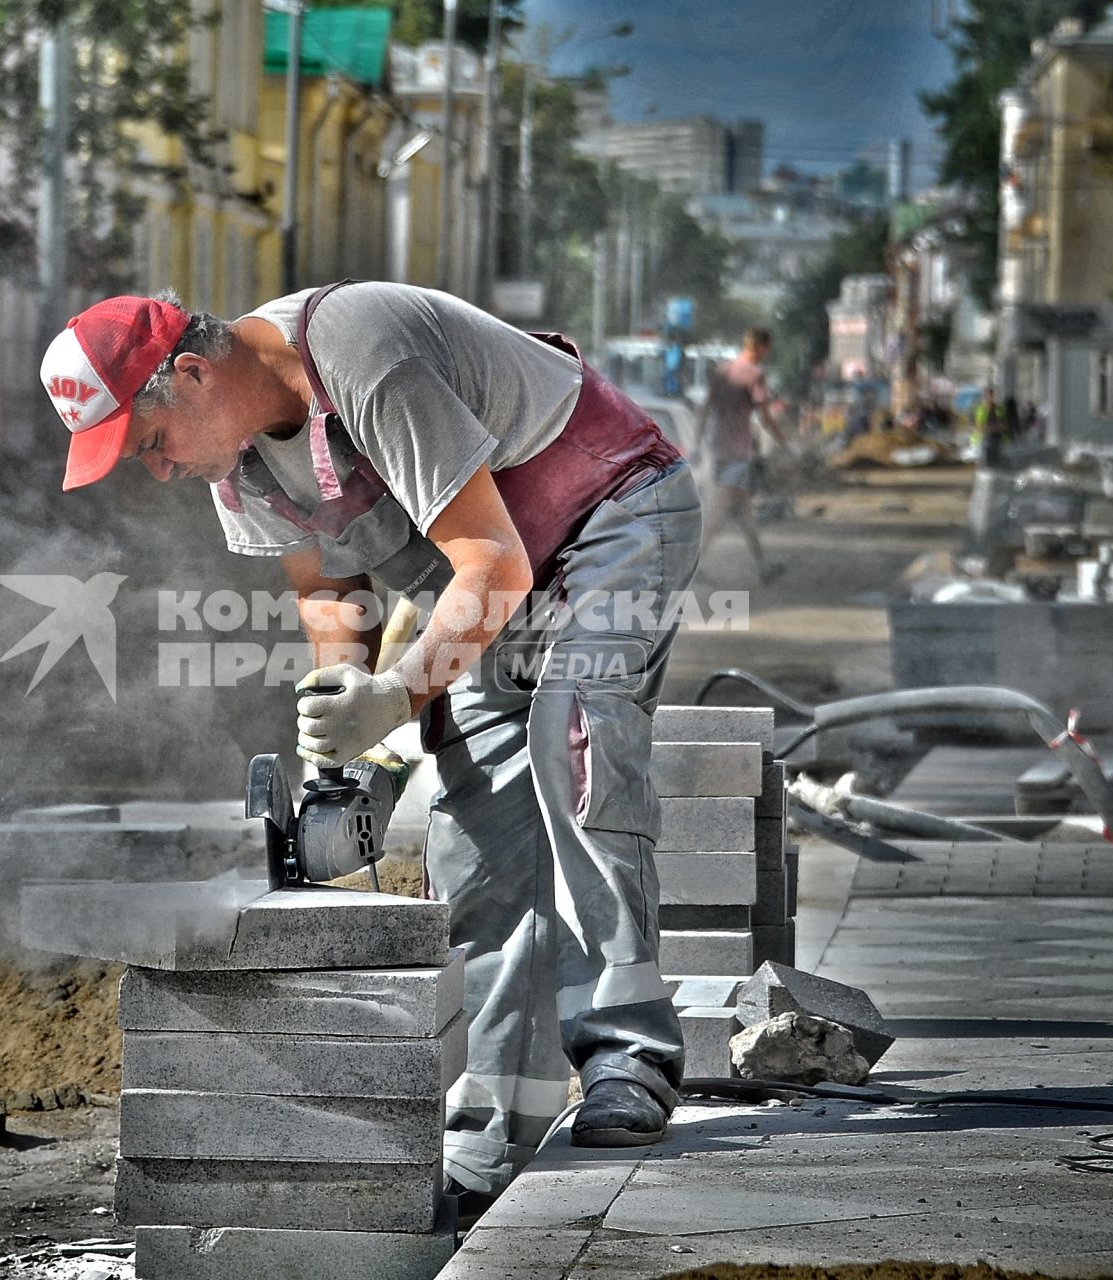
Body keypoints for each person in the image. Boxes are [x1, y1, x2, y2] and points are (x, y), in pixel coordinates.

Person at [39, 282, 702, 1208]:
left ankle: (629, 1058)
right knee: (477, 840)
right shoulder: (238, 457)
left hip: (610, 513)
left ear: (189, 374)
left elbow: (495, 565)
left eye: (150, 445)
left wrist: (392, 696)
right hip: (487, 584)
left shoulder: (361, 355)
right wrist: (338, 732)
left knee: (570, 737)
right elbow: (328, 585)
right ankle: (493, 1136)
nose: (156, 472)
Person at [698, 328, 788, 582]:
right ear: (760, 347)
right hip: (737, 452)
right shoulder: (755, 375)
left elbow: (705, 409)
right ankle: (691, 567)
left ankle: (763, 567)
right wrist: (784, 442)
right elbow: (765, 414)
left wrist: (697, 443)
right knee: (716, 512)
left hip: (718, 449)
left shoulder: (722, 371)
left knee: (744, 510)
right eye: (766, 349)